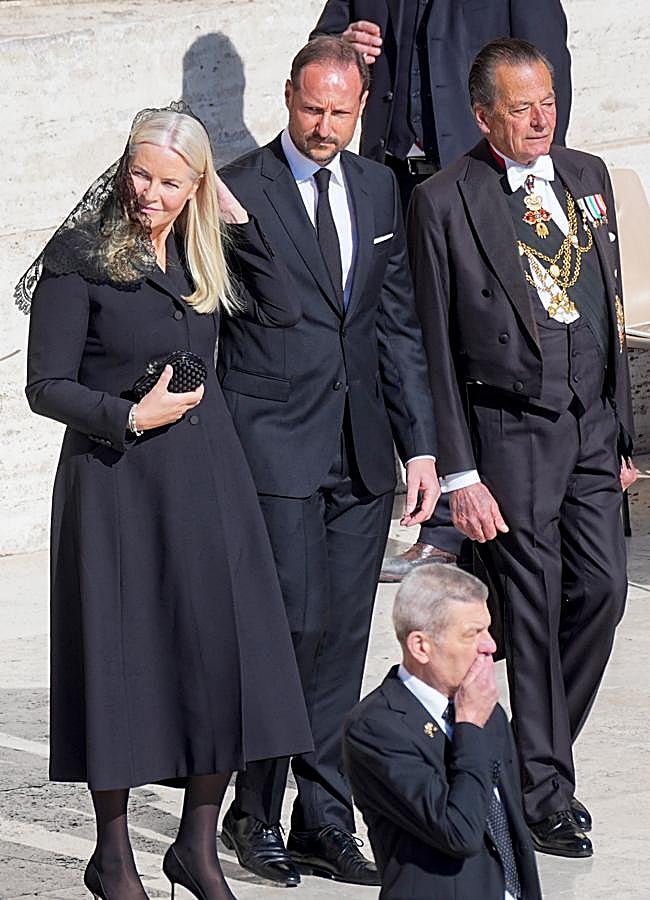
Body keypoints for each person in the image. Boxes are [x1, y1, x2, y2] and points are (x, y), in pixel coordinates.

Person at [19, 104, 313, 900]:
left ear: (198, 185)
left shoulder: (200, 243)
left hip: (209, 478)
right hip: (116, 481)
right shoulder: (82, 255)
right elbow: (43, 384)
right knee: (121, 662)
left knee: (223, 654)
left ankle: (195, 848)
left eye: (172, 182)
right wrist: (128, 415)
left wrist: (239, 218)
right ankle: (113, 857)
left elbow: (283, 308)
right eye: (141, 174)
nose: (150, 193)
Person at [217, 36, 439, 888]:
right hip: (270, 447)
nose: (324, 126)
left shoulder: (381, 185)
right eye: (312, 108)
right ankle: (251, 810)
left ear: (360, 109)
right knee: (284, 632)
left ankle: (323, 816)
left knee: (342, 640)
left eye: (340, 112)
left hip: (362, 452)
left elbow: (395, 327)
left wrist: (420, 446)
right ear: (287, 96)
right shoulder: (236, 188)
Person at [408, 38, 638, 857]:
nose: (541, 118)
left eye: (546, 101)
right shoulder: (443, 199)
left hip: (589, 428)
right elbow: (432, 342)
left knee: (606, 593)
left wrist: (622, 434)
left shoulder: (589, 175)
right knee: (531, 613)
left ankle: (520, 756)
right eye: (520, 107)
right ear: (483, 115)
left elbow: (607, 310)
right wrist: (459, 470)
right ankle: (546, 790)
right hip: (508, 430)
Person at [311, 0, 573, 580]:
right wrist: (344, 43)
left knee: (469, 347)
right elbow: (325, 41)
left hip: (477, 182)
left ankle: (453, 528)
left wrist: (526, 183)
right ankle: (427, 507)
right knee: (408, 341)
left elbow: (547, 70)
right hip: (392, 177)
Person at [343, 565, 542, 899]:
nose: (490, 646)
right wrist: (468, 729)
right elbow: (459, 832)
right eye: (472, 634)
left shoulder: (485, 711)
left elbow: (511, 830)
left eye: (488, 630)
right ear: (421, 646)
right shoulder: (377, 728)